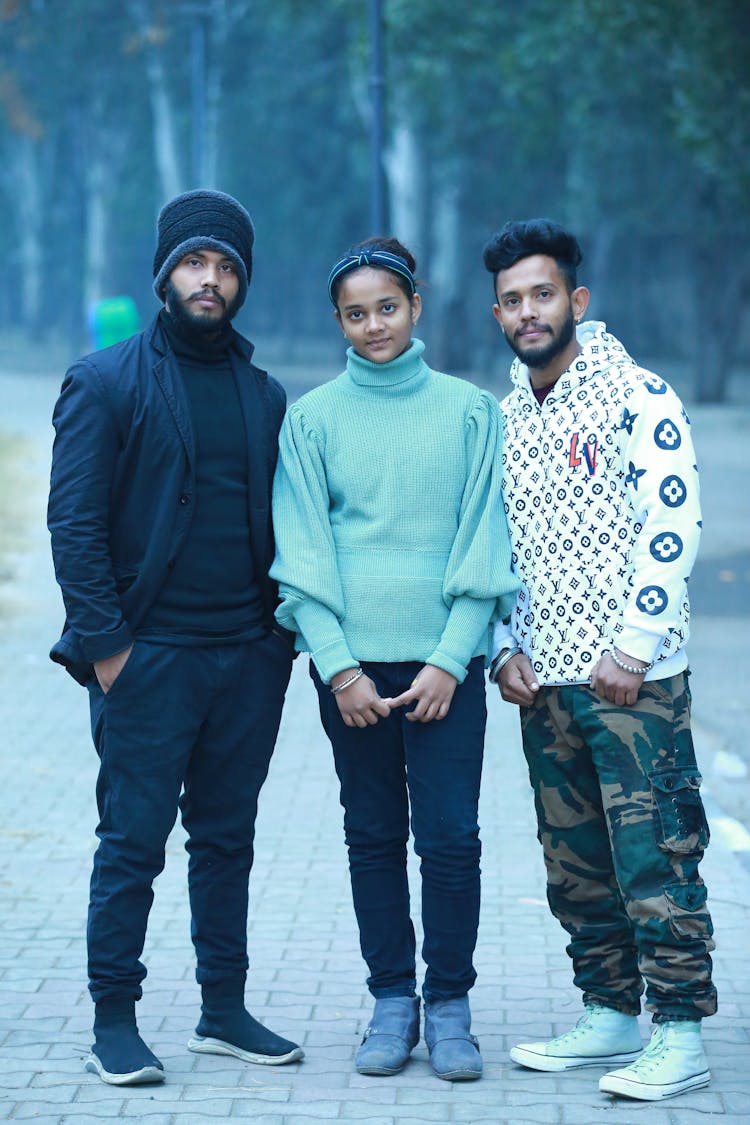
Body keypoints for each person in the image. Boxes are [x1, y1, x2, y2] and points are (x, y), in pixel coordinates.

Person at [48, 189, 303, 1086]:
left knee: (228, 839)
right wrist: (111, 651)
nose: (211, 280)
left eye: (227, 267)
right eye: (195, 263)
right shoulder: (107, 379)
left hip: (246, 657)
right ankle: (113, 1017)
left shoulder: (265, 394)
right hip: (148, 658)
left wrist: (279, 643)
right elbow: (73, 526)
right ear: (166, 274)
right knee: (132, 843)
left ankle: (222, 1010)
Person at [270, 238, 517, 1081]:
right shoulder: (311, 419)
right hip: (352, 674)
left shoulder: (469, 412)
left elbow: (486, 541)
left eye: (386, 306)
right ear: (337, 321)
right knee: (372, 834)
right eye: (354, 312)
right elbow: (302, 551)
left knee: (451, 839)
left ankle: (449, 1004)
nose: (372, 324)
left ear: (415, 306)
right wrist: (339, 668)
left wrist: (453, 659)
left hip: (445, 665)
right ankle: (390, 1000)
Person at [483, 218, 717, 1102]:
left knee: (655, 852)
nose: (528, 311)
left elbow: (673, 524)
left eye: (543, 294)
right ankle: (610, 1013)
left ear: (576, 300)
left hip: (634, 680)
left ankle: (682, 1031)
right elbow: (498, 544)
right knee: (574, 860)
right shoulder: (507, 416)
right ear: (498, 312)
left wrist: (635, 645)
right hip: (545, 681)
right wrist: (505, 648)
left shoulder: (638, 396)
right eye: (512, 299)